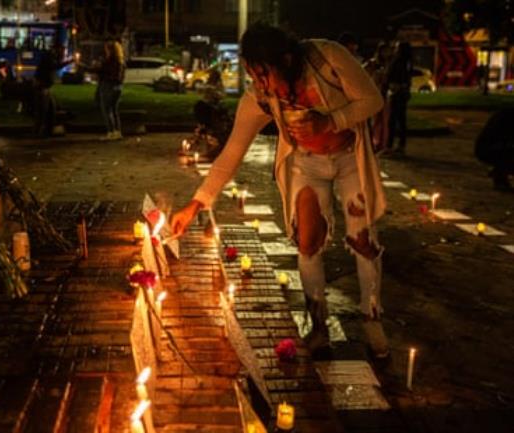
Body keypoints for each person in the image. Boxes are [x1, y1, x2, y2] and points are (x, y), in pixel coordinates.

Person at [171, 23, 389, 358]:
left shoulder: (327, 58)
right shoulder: (261, 98)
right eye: (253, 76)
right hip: (306, 164)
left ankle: (372, 319)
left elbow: (371, 99)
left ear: (285, 60)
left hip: (349, 160)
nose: (260, 85)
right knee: (306, 241)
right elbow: (231, 153)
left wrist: (329, 122)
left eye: (263, 74)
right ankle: (318, 327)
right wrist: (196, 204)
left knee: (363, 241)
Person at [363, 42, 393, 153]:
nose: (386, 53)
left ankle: (383, 145)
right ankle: (375, 143)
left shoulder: (390, 64)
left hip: (385, 95)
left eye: (388, 51)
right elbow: (363, 72)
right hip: (375, 94)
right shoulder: (373, 63)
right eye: (384, 51)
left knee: (385, 121)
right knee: (375, 121)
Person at [475, 108, 514, 192]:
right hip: (490, 149)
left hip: (493, 148)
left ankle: (500, 172)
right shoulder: (508, 116)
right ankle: (500, 175)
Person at [94, 40, 126, 140]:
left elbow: (100, 71)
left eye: (107, 49)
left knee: (106, 110)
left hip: (108, 86)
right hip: (118, 87)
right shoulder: (120, 61)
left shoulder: (109, 61)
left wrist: (84, 66)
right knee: (114, 109)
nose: (106, 51)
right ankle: (117, 132)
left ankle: (110, 132)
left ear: (110, 50)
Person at [385, 41, 413, 155]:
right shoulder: (406, 62)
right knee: (400, 120)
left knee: (393, 120)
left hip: (397, 93)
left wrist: (396, 86)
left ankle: (391, 145)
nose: (395, 49)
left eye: (397, 47)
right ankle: (400, 145)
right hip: (401, 93)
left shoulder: (399, 62)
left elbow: (391, 76)